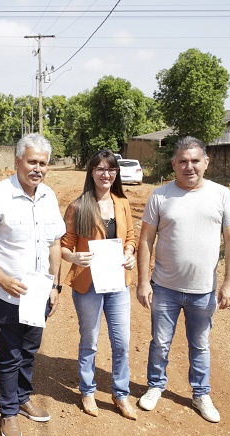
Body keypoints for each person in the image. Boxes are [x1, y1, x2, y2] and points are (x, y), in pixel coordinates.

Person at [0, 133, 66, 436]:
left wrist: (55, 285)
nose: (37, 168)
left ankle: (23, 397)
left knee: (29, 349)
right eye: (32, 161)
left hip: (39, 293)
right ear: (17, 162)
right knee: (9, 353)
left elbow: (55, 243)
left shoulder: (49, 196)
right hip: (6, 294)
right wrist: (2, 279)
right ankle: (8, 412)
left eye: (43, 163)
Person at [135, 136, 230, 423]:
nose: (189, 166)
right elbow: (146, 240)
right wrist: (143, 282)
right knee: (160, 342)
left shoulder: (221, 195)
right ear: (173, 164)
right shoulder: (160, 196)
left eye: (195, 160)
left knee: (201, 344)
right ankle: (156, 386)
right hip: (165, 288)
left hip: (203, 291)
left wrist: (229, 284)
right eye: (182, 161)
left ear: (206, 162)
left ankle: (201, 393)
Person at [61, 150, 138, 420]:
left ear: (116, 173)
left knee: (122, 342)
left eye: (111, 169)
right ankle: (88, 391)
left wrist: (129, 253)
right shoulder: (78, 206)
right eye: (100, 169)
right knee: (90, 341)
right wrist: (73, 257)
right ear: (91, 172)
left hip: (117, 282)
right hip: (88, 284)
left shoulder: (123, 204)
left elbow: (130, 237)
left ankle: (121, 394)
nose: (106, 174)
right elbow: (63, 246)